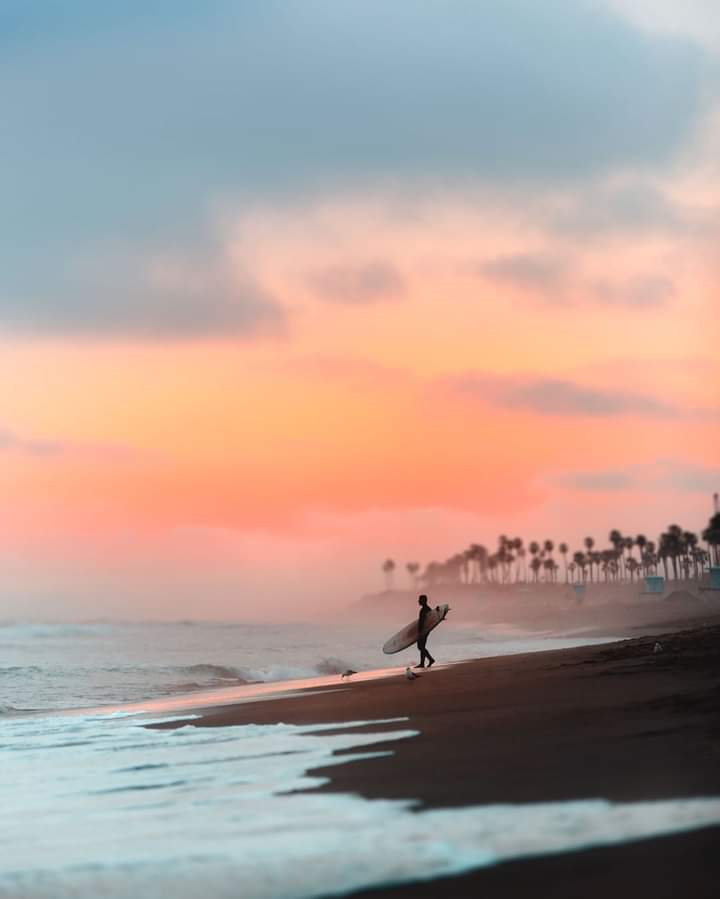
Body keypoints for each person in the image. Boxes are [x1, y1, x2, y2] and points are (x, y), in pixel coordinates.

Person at [415, 594, 436, 669]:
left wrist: (420, 632)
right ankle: (422, 663)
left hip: (423, 631)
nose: (418, 601)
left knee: (420, 646)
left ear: (423, 601)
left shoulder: (424, 610)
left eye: (420, 600)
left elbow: (422, 622)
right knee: (422, 646)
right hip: (425, 630)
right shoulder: (427, 609)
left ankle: (430, 659)